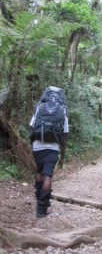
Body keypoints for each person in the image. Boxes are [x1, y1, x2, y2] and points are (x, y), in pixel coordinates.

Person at [29, 86, 69, 218]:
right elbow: (64, 135)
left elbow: (32, 126)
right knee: (48, 176)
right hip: (52, 147)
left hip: (37, 145)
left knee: (40, 172)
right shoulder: (62, 110)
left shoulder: (39, 107)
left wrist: (33, 145)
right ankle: (42, 208)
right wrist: (62, 156)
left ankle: (38, 198)